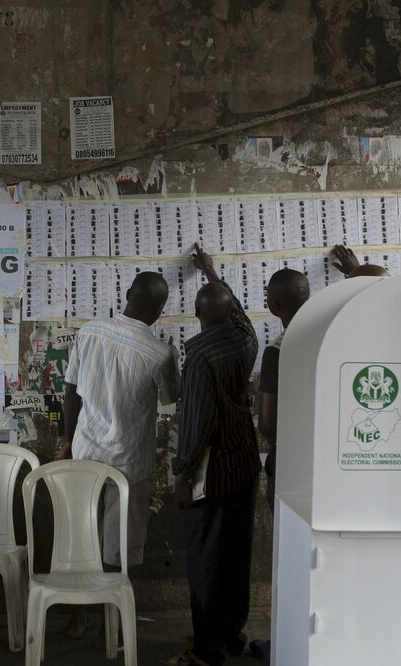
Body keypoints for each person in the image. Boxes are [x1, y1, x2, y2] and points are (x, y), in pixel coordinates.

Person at [63, 270, 180, 636]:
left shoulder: (90, 332)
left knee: (80, 536)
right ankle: (113, 621)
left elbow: (70, 394)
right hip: (130, 462)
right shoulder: (160, 353)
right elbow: (171, 397)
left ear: (127, 293)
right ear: (160, 310)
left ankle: (78, 617)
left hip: (85, 453)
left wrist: (69, 442)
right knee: (120, 546)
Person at [166, 245, 259, 666]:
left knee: (205, 557)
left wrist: (183, 471)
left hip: (212, 470)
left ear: (198, 315)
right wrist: (211, 272)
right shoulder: (247, 336)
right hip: (244, 462)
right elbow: (235, 310)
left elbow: (197, 423)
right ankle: (230, 633)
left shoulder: (200, 355)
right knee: (236, 552)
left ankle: (206, 651)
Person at [248, 269, 311, 662]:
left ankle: (285, 641)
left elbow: (267, 422)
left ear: (273, 305)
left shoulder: (279, 348)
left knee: (289, 558)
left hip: (290, 465)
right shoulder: (330, 334)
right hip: (333, 467)